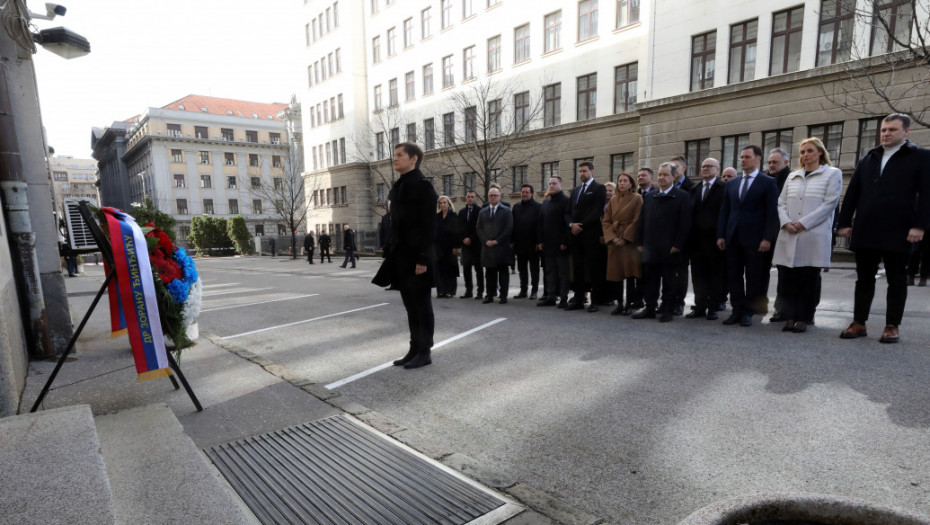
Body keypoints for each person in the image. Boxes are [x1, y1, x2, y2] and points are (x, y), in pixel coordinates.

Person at [837, 113, 930, 344]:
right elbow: (853, 193)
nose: (886, 134)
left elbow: (928, 194)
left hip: (900, 229)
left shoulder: (920, 157)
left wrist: (920, 225)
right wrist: (845, 222)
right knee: (864, 278)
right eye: (883, 130)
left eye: (892, 130)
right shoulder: (868, 157)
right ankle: (859, 323)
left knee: (897, 279)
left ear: (906, 132)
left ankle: (892, 326)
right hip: (867, 226)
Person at [772, 137, 843, 334]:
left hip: (812, 234)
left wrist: (803, 223)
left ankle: (804, 317)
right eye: (802, 152)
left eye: (809, 151)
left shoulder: (832, 173)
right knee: (789, 279)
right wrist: (786, 221)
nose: (805, 155)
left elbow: (829, 204)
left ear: (820, 152)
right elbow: (781, 203)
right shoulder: (793, 176)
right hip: (789, 233)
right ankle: (790, 315)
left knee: (808, 279)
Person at [380, 141, 437, 369]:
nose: (395, 158)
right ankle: (414, 348)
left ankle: (425, 351)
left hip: (418, 258)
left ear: (414, 159)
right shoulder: (399, 185)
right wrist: (388, 251)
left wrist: (423, 258)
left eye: (400, 155)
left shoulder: (423, 187)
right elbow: (395, 224)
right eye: (394, 155)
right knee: (410, 307)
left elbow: (429, 226)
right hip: (401, 256)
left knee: (422, 306)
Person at [717, 144, 779, 327]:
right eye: (741, 157)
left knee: (753, 277)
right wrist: (721, 235)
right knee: (733, 275)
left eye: (747, 157)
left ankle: (748, 311)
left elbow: (772, 214)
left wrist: (767, 238)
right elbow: (724, 211)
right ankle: (736, 310)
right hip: (732, 237)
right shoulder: (733, 183)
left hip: (756, 239)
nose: (743, 160)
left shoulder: (768, 182)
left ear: (758, 159)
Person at [633, 162, 692, 322]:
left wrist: (677, 245)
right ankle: (650, 308)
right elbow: (642, 221)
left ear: (674, 176)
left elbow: (685, 224)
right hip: (650, 248)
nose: (662, 178)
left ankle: (668, 310)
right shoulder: (651, 196)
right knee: (650, 281)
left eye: (665, 174)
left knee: (669, 282)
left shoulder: (682, 196)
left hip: (670, 249)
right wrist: (639, 242)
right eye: (660, 174)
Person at [686, 158, 726, 320]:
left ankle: (713, 308)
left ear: (717, 169)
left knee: (715, 275)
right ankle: (700, 307)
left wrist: (722, 235)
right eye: (703, 166)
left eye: (709, 166)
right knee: (698, 276)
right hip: (697, 241)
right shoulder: (694, 189)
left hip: (716, 240)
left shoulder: (724, 188)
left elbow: (725, 213)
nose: (706, 169)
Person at [566, 161, 607, 311]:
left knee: (594, 268)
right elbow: (567, 212)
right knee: (577, 268)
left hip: (590, 234)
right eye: (580, 171)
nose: (582, 174)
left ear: (592, 171)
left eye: (585, 171)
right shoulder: (576, 190)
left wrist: (580, 225)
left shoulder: (599, 188)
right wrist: (571, 225)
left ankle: (595, 301)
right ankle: (578, 299)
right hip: (575, 236)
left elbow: (597, 211)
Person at [602, 172, 643, 315]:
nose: (622, 183)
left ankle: (630, 303)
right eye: (620, 181)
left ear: (631, 183)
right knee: (616, 273)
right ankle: (619, 303)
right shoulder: (613, 199)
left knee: (630, 273)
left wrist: (624, 238)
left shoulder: (637, 198)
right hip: (614, 241)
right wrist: (613, 238)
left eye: (625, 181)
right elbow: (606, 221)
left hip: (628, 242)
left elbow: (637, 220)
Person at [766, 147, 793, 323]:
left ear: (786, 162)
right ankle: (777, 309)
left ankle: (786, 310)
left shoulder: (792, 179)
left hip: (786, 231)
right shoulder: (766, 179)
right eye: (769, 162)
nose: (771, 165)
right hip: (768, 232)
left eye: (775, 162)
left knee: (787, 275)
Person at [537, 176, 571, 308]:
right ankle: (551, 296)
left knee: (563, 273)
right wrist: (540, 240)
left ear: (560, 185)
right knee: (550, 272)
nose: (551, 186)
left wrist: (565, 241)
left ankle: (563, 298)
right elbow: (540, 223)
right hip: (547, 244)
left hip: (561, 244)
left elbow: (567, 223)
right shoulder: (546, 202)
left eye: (554, 183)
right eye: (550, 183)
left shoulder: (566, 201)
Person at [477, 187, 513, 304]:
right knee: (490, 273)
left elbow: (509, 228)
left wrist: (497, 241)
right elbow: (479, 228)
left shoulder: (506, 211)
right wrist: (485, 241)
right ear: (488, 197)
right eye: (491, 195)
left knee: (503, 273)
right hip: (487, 248)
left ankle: (503, 296)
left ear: (500, 196)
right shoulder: (483, 212)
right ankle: (489, 295)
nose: (493, 197)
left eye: (495, 195)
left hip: (501, 247)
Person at [511, 184, 541, 299]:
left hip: (533, 244)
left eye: (527, 192)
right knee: (521, 269)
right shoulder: (516, 207)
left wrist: (539, 242)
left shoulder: (538, 206)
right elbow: (513, 225)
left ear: (532, 193)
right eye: (523, 192)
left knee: (534, 269)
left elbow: (539, 225)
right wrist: (512, 241)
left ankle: (534, 291)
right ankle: (523, 290)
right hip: (519, 243)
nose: (524, 194)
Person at [458, 190, 484, 300]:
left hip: (476, 244)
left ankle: (480, 291)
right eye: (468, 196)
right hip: (465, 246)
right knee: (466, 269)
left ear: (476, 198)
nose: (470, 198)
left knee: (478, 269)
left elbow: (480, 227)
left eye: (472, 196)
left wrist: (471, 238)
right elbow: (458, 228)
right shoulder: (462, 212)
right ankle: (468, 290)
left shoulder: (480, 211)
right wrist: (463, 238)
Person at [435, 195, 461, 298]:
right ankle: (441, 290)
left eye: (444, 202)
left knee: (450, 269)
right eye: (440, 203)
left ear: (449, 204)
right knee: (440, 269)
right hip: (439, 247)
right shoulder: (437, 217)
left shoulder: (453, 215)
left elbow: (457, 232)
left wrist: (456, 246)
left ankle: (450, 290)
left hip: (450, 247)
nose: (442, 205)